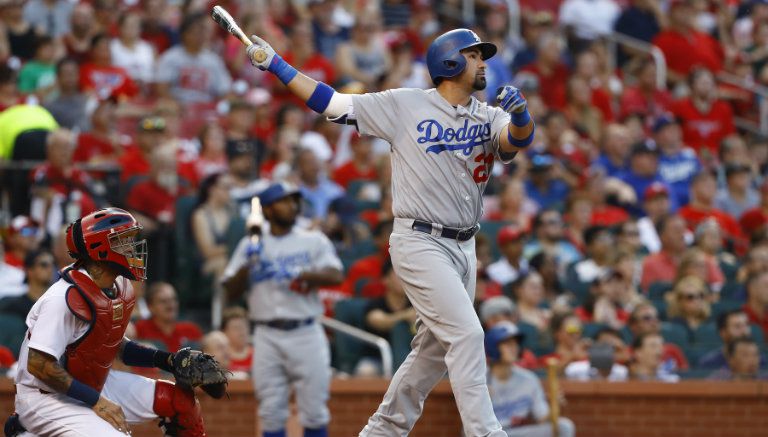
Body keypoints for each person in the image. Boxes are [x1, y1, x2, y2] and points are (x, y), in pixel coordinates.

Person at [245, 26, 535, 437]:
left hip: (465, 245)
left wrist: (522, 116)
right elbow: (331, 103)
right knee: (468, 334)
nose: (483, 62)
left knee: (433, 353)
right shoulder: (405, 104)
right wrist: (276, 65)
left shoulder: (488, 115)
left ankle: (381, 431)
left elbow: (514, 142)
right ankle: (486, 432)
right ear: (449, 61)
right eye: (473, 55)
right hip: (420, 239)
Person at [5, 207, 217, 436]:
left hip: (87, 384)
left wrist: (167, 360)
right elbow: (39, 365)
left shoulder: (116, 287)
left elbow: (113, 344)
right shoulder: (62, 298)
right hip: (44, 397)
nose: (132, 248)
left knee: (179, 401)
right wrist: (98, 402)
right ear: (100, 248)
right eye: (123, 241)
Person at [222, 182, 344, 437]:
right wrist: (248, 265)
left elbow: (336, 275)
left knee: (314, 410)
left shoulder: (311, 239)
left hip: (306, 331)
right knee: (270, 411)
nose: (292, 206)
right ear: (267, 210)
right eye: (284, 201)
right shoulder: (251, 244)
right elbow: (229, 290)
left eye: (293, 200)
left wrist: (301, 273)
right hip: (267, 333)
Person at [484, 322, 575, 437]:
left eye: (515, 344)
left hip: (517, 433)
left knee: (564, 426)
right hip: (491, 434)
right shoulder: (480, 380)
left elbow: (542, 419)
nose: (514, 348)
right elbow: (469, 428)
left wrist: (554, 406)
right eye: (508, 344)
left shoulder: (529, 379)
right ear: (493, 347)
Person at [134, 282, 203, 353]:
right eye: (163, 301)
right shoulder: (139, 329)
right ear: (150, 307)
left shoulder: (191, 330)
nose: (170, 305)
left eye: (174, 299)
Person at [0, 249, 54, 319]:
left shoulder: (56, 304)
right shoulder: (13, 307)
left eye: (52, 264)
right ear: (29, 270)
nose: (50, 269)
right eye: (44, 265)